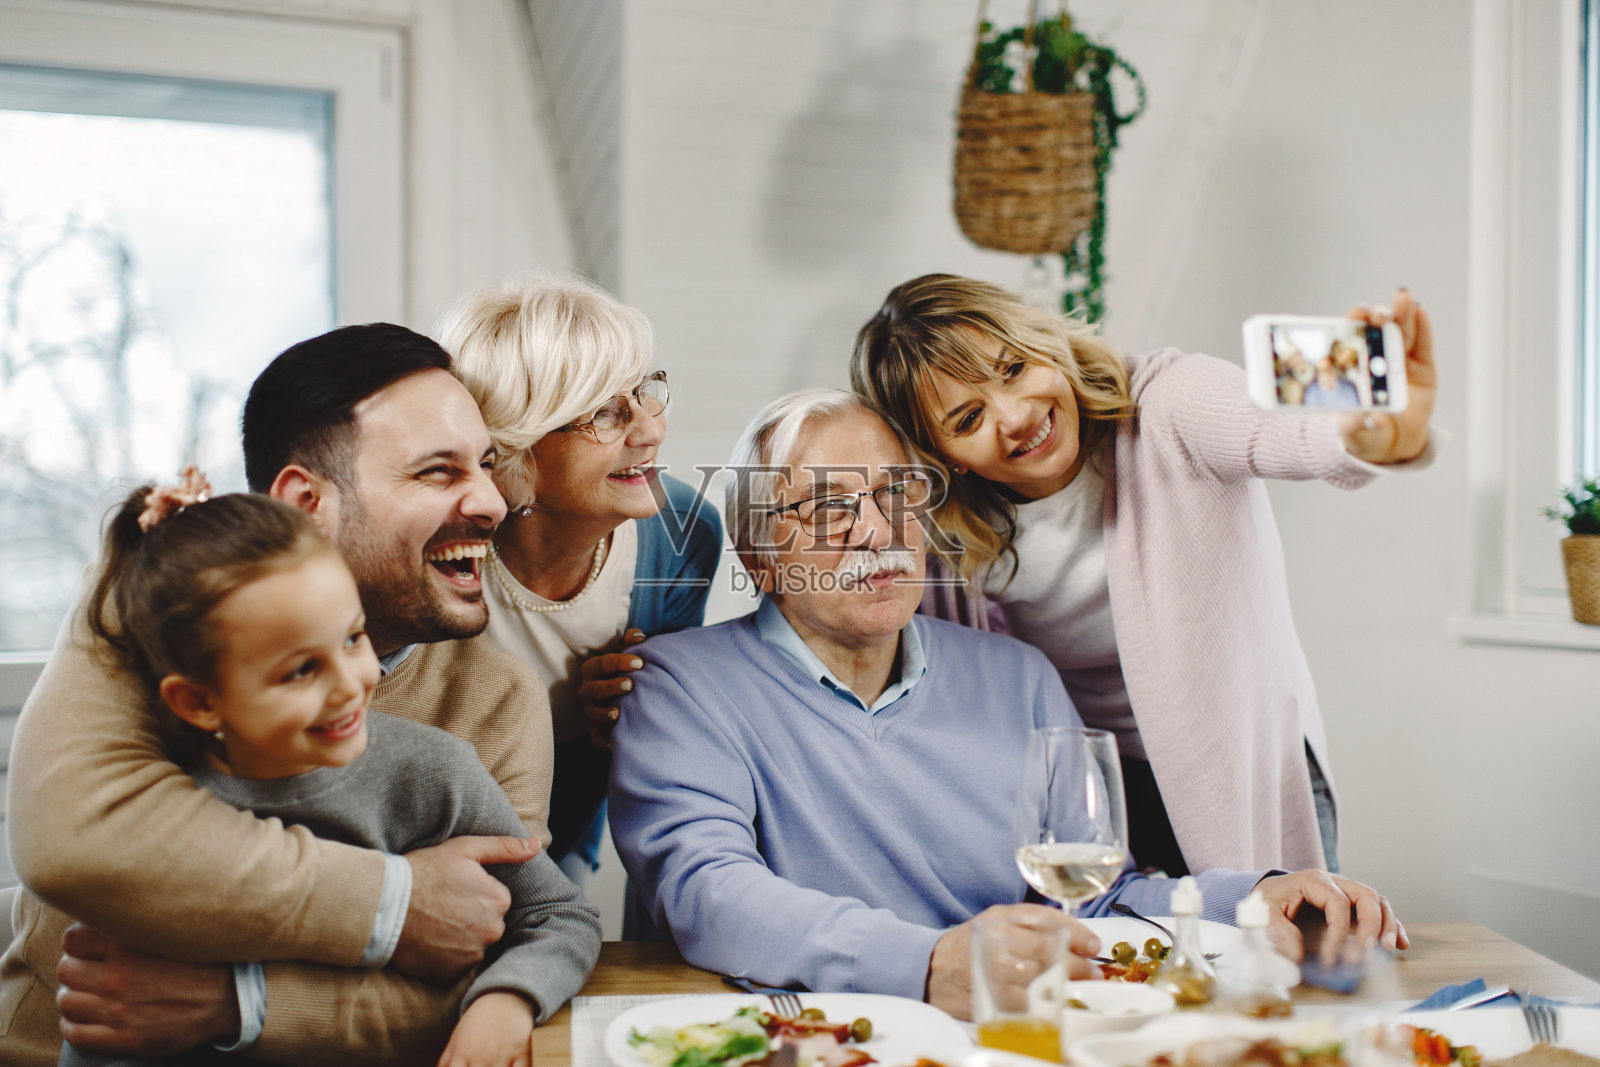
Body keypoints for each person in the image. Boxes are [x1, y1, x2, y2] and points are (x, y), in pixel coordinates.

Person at [606, 390, 1406, 1019]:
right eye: (826, 506)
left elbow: (1095, 893)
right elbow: (706, 894)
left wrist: (1254, 894)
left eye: (897, 494)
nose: (876, 530)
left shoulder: (1018, 677)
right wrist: (925, 963)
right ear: (759, 553)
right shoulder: (680, 684)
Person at [2, 325, 595, 1066]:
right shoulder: (163, 615)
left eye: (484, 464)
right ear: (305, 501)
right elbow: (75, 841)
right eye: (437, 472)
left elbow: (487, 954)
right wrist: (397, 900)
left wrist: (235, 1001)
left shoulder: (494, 701)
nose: (492, 502)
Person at [850, 275, 1438, 878]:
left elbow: (1273, 428)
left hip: (1245, 768)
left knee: (1280, 959)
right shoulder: (941, 539)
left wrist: (1372, 434)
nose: (1017, 416)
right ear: (939, 452)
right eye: (969, 418)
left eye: (1014, 369)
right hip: (1099, 791)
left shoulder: (1168, 403)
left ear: (1047, 343)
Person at [439, 273, 722, 886]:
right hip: (430, 844)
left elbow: (653, 744)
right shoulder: (436, 549)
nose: (649, 430)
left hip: (566, 840)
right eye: (604, 413)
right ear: (514, 449)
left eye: (646, 393)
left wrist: (633, 715)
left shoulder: (685, 533)